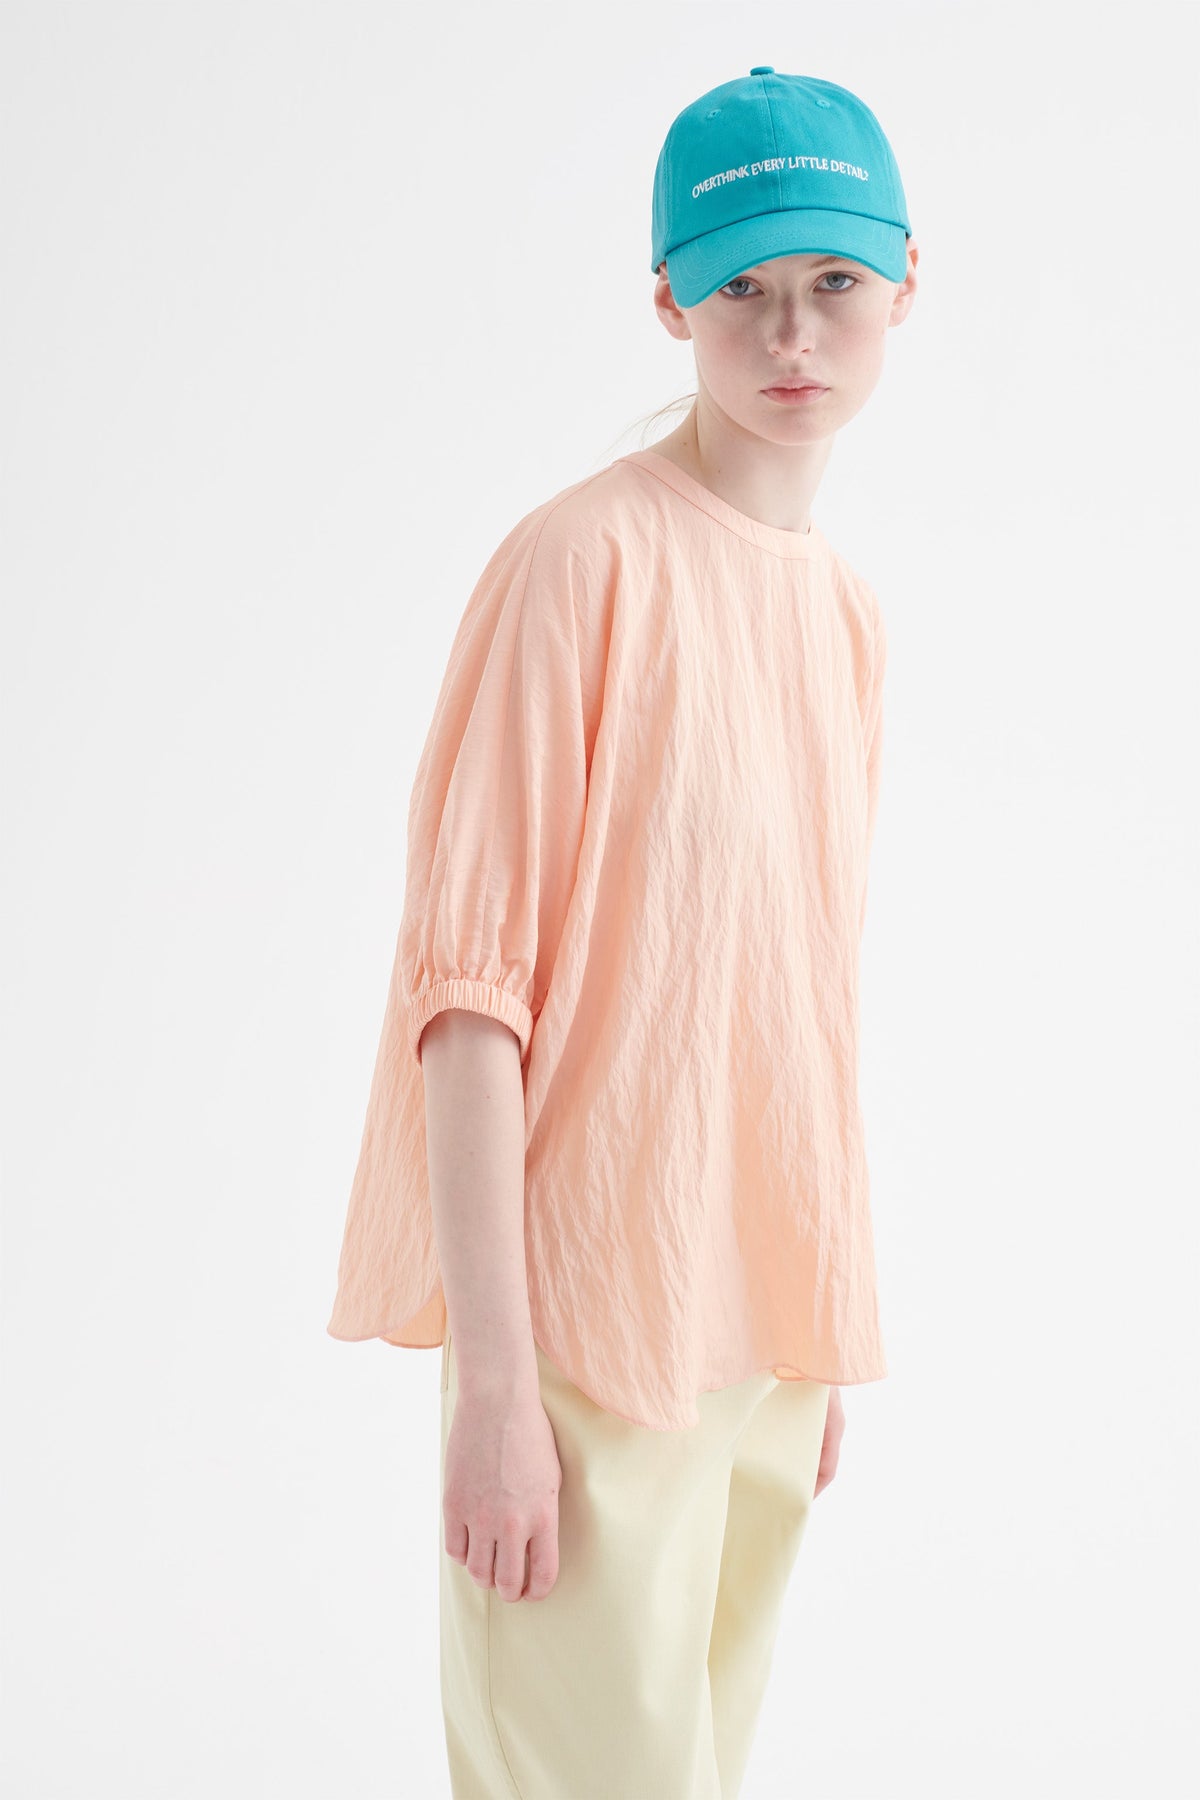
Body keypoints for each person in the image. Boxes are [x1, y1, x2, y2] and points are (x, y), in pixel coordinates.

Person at [327, 65, 917, 1799]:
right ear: (670, 299)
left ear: (905, 284)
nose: (789, 333)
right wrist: (497, 1394)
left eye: (832, 281)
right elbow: (467, 1001)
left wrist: (809, 1323)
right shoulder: (578, 566)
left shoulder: (845, 615)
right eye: (740, 288)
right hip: (583, 1344)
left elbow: (788, 997)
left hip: (753, 1346)